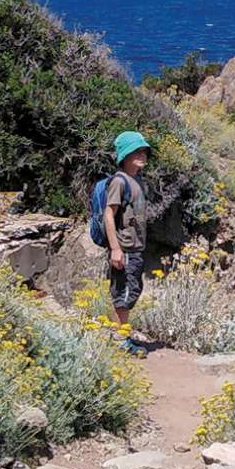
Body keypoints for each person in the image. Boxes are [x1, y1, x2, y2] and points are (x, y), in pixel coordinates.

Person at [102, 130, 153, 356]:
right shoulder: (119, 181)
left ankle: (121, 337)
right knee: (122, 293)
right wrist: (115, 249)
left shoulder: (138, 180)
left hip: (136, 248)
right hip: (124, 248)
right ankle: (119, 341)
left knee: (131, 291)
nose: (142, 155)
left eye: (144, 150)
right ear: (125, 154)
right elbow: (108, 215)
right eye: (136, 151)